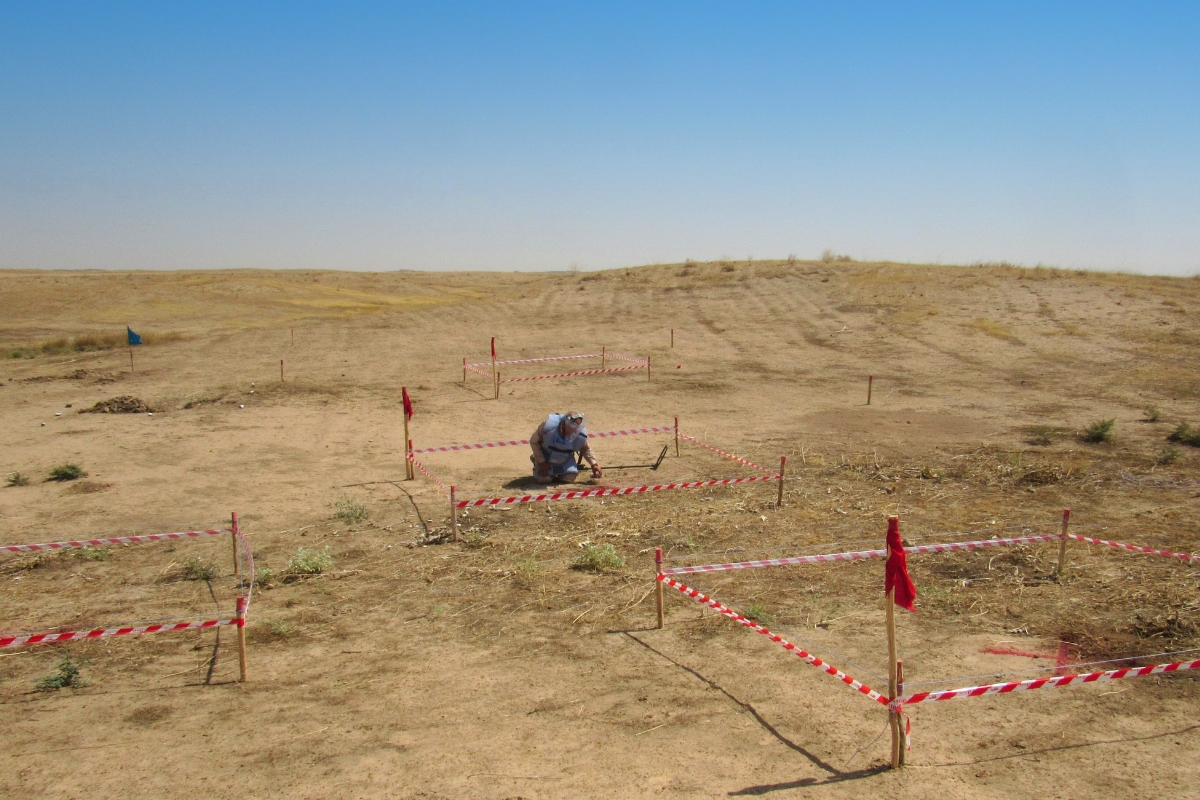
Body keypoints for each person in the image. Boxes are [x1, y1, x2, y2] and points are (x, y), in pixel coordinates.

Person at [530, 411, 603, 484]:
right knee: (544, 479)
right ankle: (536, 460)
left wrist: (594, 465)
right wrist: (541, 461)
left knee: (569, 479)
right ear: (564, 424)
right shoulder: (547, 428)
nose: (575, 430)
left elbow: (586, 449)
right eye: (573, 427)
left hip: (565, 459)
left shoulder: (580, 434)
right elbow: (534, 442)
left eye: (577, 427)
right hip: (546, 457)